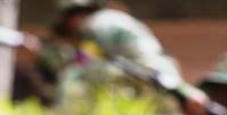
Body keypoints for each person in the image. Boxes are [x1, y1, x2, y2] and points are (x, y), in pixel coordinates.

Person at [43, 0, 181, 100]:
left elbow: (83, 62)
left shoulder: (92, 26)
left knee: (71, 77)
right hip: (165, 73)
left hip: (145, 76)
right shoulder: (113, 18)